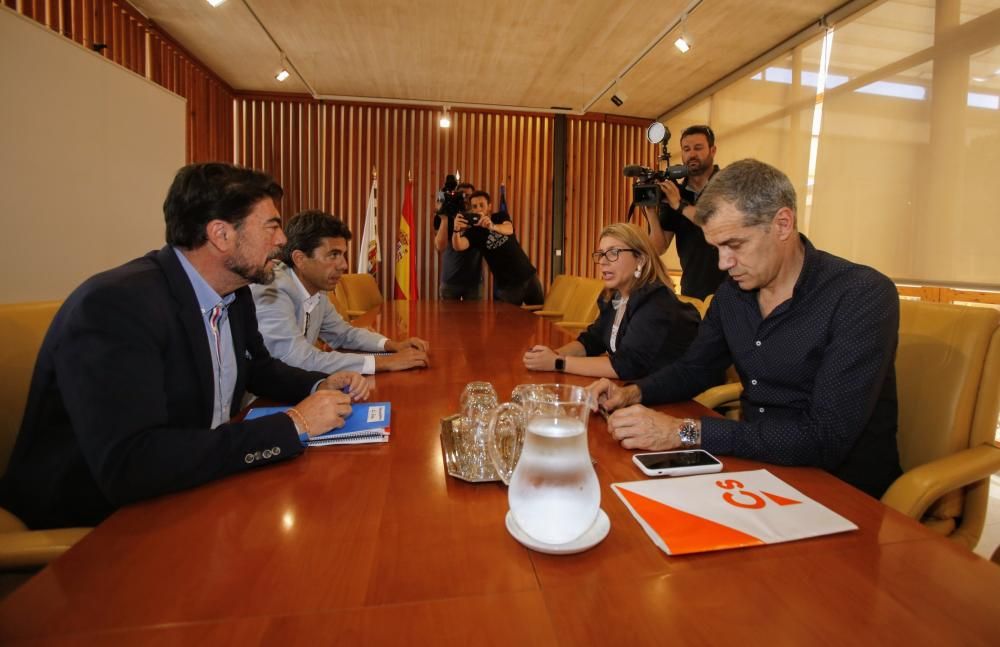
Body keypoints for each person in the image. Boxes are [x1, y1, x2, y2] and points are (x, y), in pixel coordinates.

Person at [0, 163, 372, 530]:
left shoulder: (233, 291)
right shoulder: (115, 306)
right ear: (221, 235)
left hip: (196, 485)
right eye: (272, 226)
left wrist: (317, 385)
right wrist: (294, 424)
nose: (281, 241)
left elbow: (259, 368)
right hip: (102, 523)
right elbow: (133, 463)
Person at [591, 159, 902, 498]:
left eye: (735, 245)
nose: (723, 264)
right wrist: (632, 392)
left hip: (839, 489)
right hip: (755, 470)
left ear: (782, 224)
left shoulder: (861, 295)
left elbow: (824, 437)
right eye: (716, 249)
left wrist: (685, 432)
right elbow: (695, 368)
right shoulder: (732, 296)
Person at [252, 210, 429, 374]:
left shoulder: (317, 290)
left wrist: (393, 346)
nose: (344, 265)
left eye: (342, 255)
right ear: (300, 259)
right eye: (333, 255)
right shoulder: (271, 289)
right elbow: (298, 359)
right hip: (258, 401)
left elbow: (343, 334)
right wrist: (383, 363)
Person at [523, 223, 700, 380]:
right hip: (636, 390)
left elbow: (626, 366)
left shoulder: (656, 302)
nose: (603, 262)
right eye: (601, 254)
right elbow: (592, 340)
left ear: (641, 259)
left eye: (613, 253)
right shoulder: (614, 296)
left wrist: (558, 363)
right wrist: (552, 355)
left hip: (678, 402)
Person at [642, 124, 728, 299]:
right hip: (692, 291)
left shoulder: (727, 184)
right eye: (686, 149)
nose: (692, 154)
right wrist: (650, 210)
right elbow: (658, 248)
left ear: (713, 150)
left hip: (732, 290)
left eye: (698, 148)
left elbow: (713, 222)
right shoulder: (676, 192)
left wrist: (679, 205)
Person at [451, 190, 543, 306]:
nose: (478, 209)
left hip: (528, 276)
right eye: (474, 206)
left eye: (481, 205)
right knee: (506, 322)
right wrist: (456, 230)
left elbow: (509, 229)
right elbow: (458, 246)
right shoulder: (473, 232)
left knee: (539, 317)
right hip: (507, 286)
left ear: (489, 206)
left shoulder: (500, 216)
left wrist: (492, 226)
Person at [434, 181, 483, 300]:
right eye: (462, 195)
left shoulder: (480, 218)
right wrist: (445, 218)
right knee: (447, 318)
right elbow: (440, 247)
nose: (465, 199)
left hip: (474, 283)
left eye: (469, 196)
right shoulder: (447, 216)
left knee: (474, 317)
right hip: (450, 281)